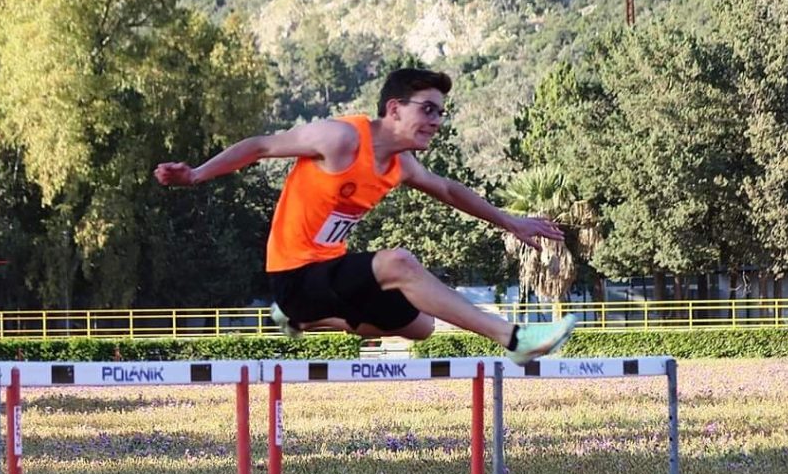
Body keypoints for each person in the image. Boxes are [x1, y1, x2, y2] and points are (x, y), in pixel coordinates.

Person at [154, 68, 577, 364]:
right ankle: (515, 338)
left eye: (441, 112)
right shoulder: (338, 139)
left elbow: (448, 189)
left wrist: (511, 221)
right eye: (427, 109)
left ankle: (299, 318)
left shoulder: (402, 165)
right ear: (394, 109)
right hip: (294, 273)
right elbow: (261, 146)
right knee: (399, 263)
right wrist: (196, 174)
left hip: (332, 275)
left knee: (422, 327)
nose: (436, 122)